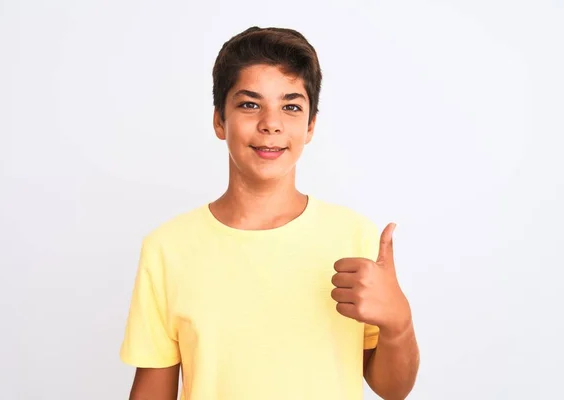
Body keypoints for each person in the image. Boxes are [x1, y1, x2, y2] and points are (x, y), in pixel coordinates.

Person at [119, 26, 420, 400]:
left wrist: (399, 323)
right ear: (219, 120)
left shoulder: (352, 236)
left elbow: (394, 389)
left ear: (310, 125)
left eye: (291, 106)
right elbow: (153, 390)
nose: (271, 123)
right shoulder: (167, 249)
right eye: (249, 104)